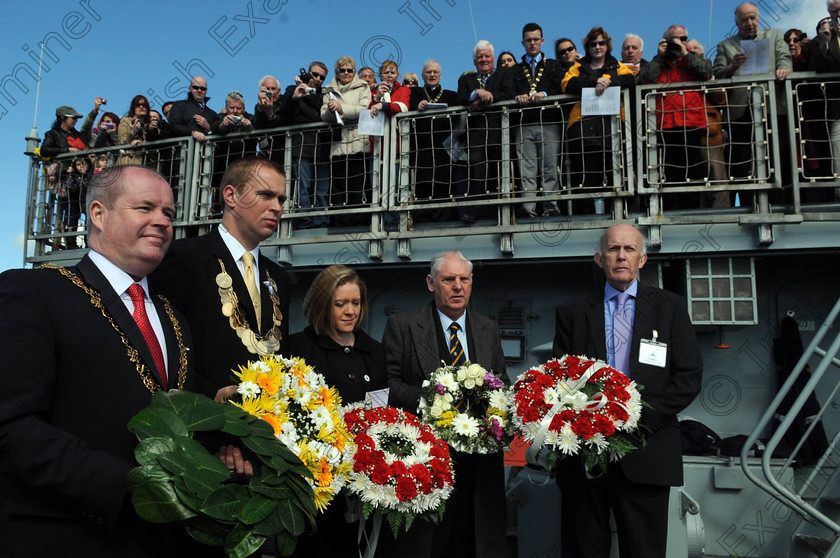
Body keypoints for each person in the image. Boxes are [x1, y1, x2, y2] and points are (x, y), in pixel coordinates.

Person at [0, 165, 194, 557]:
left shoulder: (175, 319)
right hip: (67, 538)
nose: (162, 221)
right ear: (98, 214)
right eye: (145, 207)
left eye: (169, 214)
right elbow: (10, 426)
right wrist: (127, 487)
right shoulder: (35, 292)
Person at [552, 223, 703, 558]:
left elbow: (689, 376)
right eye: (613, 249)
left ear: (643, 259)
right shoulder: (572, 312)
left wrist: (633, 416)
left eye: (630, 249)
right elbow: (558, 380)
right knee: (583, 550)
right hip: (583, 454)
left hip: (647, 453)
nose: (621, 255)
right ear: (599, 258)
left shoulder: (670, 308)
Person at [383, 250, 507, 558]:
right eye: (448, 279)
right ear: (431, 283)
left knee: (474, 547)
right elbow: (390, 386)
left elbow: (502, 383)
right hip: (426, 465)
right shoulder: (403, 325)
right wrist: (434, 400)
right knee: (427, 548)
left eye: (464, 279)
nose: (457, 287)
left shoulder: (487, 327)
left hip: (479, 472)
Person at [149, 157, 290, 400]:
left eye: (281, 199)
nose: (277, 207)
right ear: (231, 196)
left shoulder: (280, 278)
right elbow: (161, 349)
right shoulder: (184, 258)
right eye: (265, 195)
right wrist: (207, 394)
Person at [287, 265, 388, 556]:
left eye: (355, 303)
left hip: (361, 480)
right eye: (340, 303)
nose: (350, 311)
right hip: (315, 484)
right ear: (322, 304)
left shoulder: (374, 351)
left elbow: (379, 412)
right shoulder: (298, 348)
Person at [714, 3, 791, 189]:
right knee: (742, 158)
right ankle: (749, 201)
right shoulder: (726, 45)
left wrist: (783, 68)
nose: (749, 23)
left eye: (752, 18)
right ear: (737, 23)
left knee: (776, 155)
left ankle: (779, 198)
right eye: (744, 20)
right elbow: (718, 74)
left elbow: (784, 56)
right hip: (740, 110)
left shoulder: (774, 35)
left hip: (772, 106)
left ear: (758, 18)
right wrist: (732, 66)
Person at [562, 27, 635, 213]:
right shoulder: (577, 67)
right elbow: (566, 84)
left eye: (601, 43)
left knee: (614, 172)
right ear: (587, 47)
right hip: (583, 125)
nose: (597, 47)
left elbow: (630, 79)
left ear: (607, 45)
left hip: (612, 125)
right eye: (593, 44)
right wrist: (595, 81)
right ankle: (586, 215)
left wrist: (608, 80)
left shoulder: (617, 65)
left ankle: (616, 214)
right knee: (586, 174)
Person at [640, 25, 713, 208]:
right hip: (667, 124)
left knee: (694, 171)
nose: (678, 42)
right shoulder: (658, 63)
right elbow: (644, 78)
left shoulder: (695, 60)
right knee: (671, 172)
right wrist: (659, 56)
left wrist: (685, 53)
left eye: (683, 38)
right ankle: (672, 211)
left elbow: (707, 72)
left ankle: (693, 212)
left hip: (692, 123)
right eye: (674, 39)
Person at [456, 40, 515, 223]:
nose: (483, 59)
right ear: (474, 61)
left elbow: (508, 93)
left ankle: (500, 213)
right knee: (476, 172)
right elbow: (460, 98)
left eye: (487, 56)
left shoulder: (504, 73)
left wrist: (482, 100)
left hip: (499, 131)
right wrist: (476, 93)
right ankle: (475, 211)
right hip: (476, 134)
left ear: (493, 58)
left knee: (499, 172)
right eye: (479, 56)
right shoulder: (467, 79)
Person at [512, 22, 563, 217]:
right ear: (523, 42)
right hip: (525, 123)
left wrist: (546, 93)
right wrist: (517, 97)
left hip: (548, 121)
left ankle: (551, 207)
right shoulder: (515, 70)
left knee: (550, 166)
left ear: (542, 41)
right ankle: (528, 209)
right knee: (527, 169)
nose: (532, 43)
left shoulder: (553, 66)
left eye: (536, 40)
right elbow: (510, 90)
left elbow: (561, 87)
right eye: (528, 40)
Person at [277, 62, 332, 229]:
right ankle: (304, 222)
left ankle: (321, 221)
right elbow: (284, 116)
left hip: (322, 146)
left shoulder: (324, 94)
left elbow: (321, 116)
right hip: (302, 145)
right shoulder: (291, 90)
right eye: (315, 75)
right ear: (308, 73)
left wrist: (310, 95)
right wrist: (296, 96)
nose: (318, 79)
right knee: (304, 186)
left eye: (322, 77)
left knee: (322, 187)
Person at [321, 56, 372, 227]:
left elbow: (365, 108)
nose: (346, 73)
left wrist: (342, 109)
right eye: (342, 70)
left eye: (350, 70)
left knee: (358, 185)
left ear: (354, 72)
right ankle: (339, 224)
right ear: (337, 72)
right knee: (338, 187)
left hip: (359, 143)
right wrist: (330, 110)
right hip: (338, 144)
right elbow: (323, 115)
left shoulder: (363, 87)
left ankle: (358, 224)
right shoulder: (328, 89)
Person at [409, 59, 459, 222]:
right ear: (423, 75)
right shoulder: (416, 93)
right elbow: (409, 105)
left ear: (440, 75)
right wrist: (418, 105)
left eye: (435, 72)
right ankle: (422, 218)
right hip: (422, 145)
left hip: (442, 146)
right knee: (422, 183)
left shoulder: (450, 95)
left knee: (442, 183)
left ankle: (442, 218)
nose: (432, 75)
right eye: (428, 72)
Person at [167, 75, 217, 143]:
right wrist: (193, 132)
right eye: (196, 87)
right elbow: (173, 126)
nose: (199, 90)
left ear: (206, 90)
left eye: (203, 88)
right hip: (184, 151)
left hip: (206, 151)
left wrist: (208, 128)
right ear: (190, 88)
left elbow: (218, 135)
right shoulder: (179, 106)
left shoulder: (212, 113)